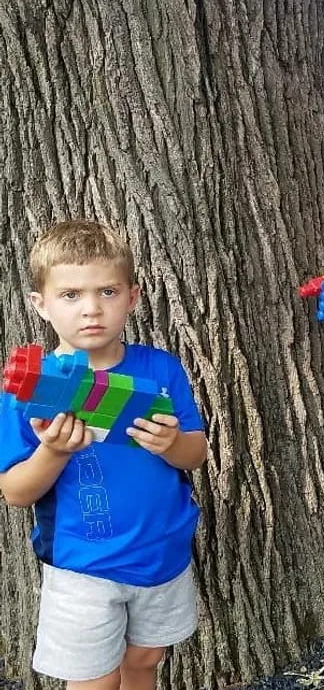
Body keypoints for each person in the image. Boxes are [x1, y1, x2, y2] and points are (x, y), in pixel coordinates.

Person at [0, 220, 208, 689]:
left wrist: (172, 443)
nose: (92, 309)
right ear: (41, 304)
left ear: (133, 297)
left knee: (146, 659)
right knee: (93, 680)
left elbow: (195, 453)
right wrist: (53, 451)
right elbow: (15, 491)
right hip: (82, 566)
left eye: (108, 292)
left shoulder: (160, 368)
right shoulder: (28, 389)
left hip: (162, 552)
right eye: (71, 295)